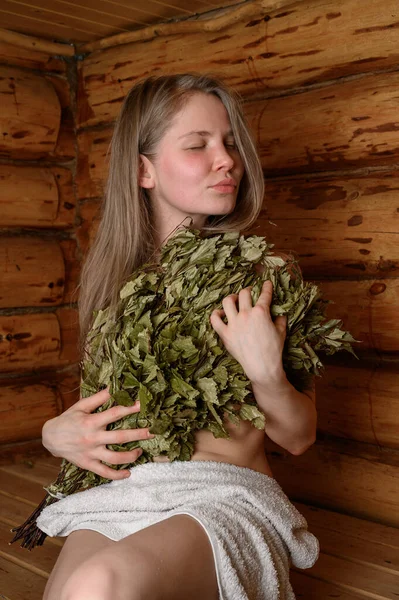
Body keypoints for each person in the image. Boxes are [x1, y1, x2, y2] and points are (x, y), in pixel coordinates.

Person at [41, 73, 318, 600]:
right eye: (199, 145)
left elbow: (298, 436)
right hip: (124, 495)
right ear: (144, 170)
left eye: (230, 143)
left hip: (225, 497)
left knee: (99, 584)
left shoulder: (260, 277)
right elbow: (101, 417)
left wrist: (266, 373)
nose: (227, 160)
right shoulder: (114, 287)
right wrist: (54, 435)